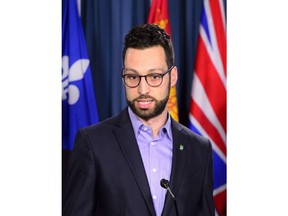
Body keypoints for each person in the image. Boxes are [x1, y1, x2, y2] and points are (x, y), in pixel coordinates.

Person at [63, 24, 215, 216]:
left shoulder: (199, 149)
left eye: (154, 76)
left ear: (173, 76)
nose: (143, 90)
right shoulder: (93, 143)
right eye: (133, 77)